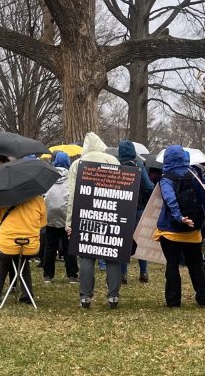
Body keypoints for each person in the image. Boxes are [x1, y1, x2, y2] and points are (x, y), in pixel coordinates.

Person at [66, 132, 123, 309]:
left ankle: (85, 297)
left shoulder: (77, 164)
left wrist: (70, 223)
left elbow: (72, 195)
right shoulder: (113, 162)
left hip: (85, 215)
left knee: (86, 257)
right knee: (112, 256)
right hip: (111, 213)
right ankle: (113, 296)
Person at [154, 145, 205, 308]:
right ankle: (204, 298)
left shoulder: (166, 178)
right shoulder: (194, 175)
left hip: (170, 229)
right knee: (196, 264)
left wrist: (179, 217)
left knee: (172, 264)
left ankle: (173, 301)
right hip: (192, 230)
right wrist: (202, 220)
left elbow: (169, 198)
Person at [0, 193, 47, 305]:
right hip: (30, 247)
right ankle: (27, 294)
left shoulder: (4, 198)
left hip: (6, 246)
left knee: (3, 261)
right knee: (23, 260)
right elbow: (42, 229)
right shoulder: (39, 200)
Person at [117, 140, 150, 283]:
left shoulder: (116, 166)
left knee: (123, 241)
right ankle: (143, 273)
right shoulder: (139, 165)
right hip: (139, 208)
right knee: (140, 240)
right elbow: (149, 186)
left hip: (122, 209)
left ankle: (123, 274)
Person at [42, 151, 77, 283]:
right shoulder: (71, 177)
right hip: (66, 216)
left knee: (50, 246)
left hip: (50, 216)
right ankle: (72, 274)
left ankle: (48, 274)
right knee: (69, 246)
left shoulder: (49, 176)